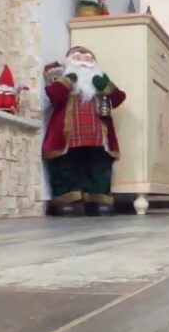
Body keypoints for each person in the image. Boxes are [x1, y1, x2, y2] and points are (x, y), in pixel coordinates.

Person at [42, 46, 126, 216]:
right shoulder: (61, 76)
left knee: (99, 166)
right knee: (65, 165)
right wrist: (68, 80)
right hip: (68, 134)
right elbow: (54, 95)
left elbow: (118, 98)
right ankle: (66, 199)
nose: (83, 60)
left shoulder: (100, 79)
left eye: (88, 57)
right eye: (78, 57)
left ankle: (98, 199)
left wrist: (105, 85)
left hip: (98, 134)